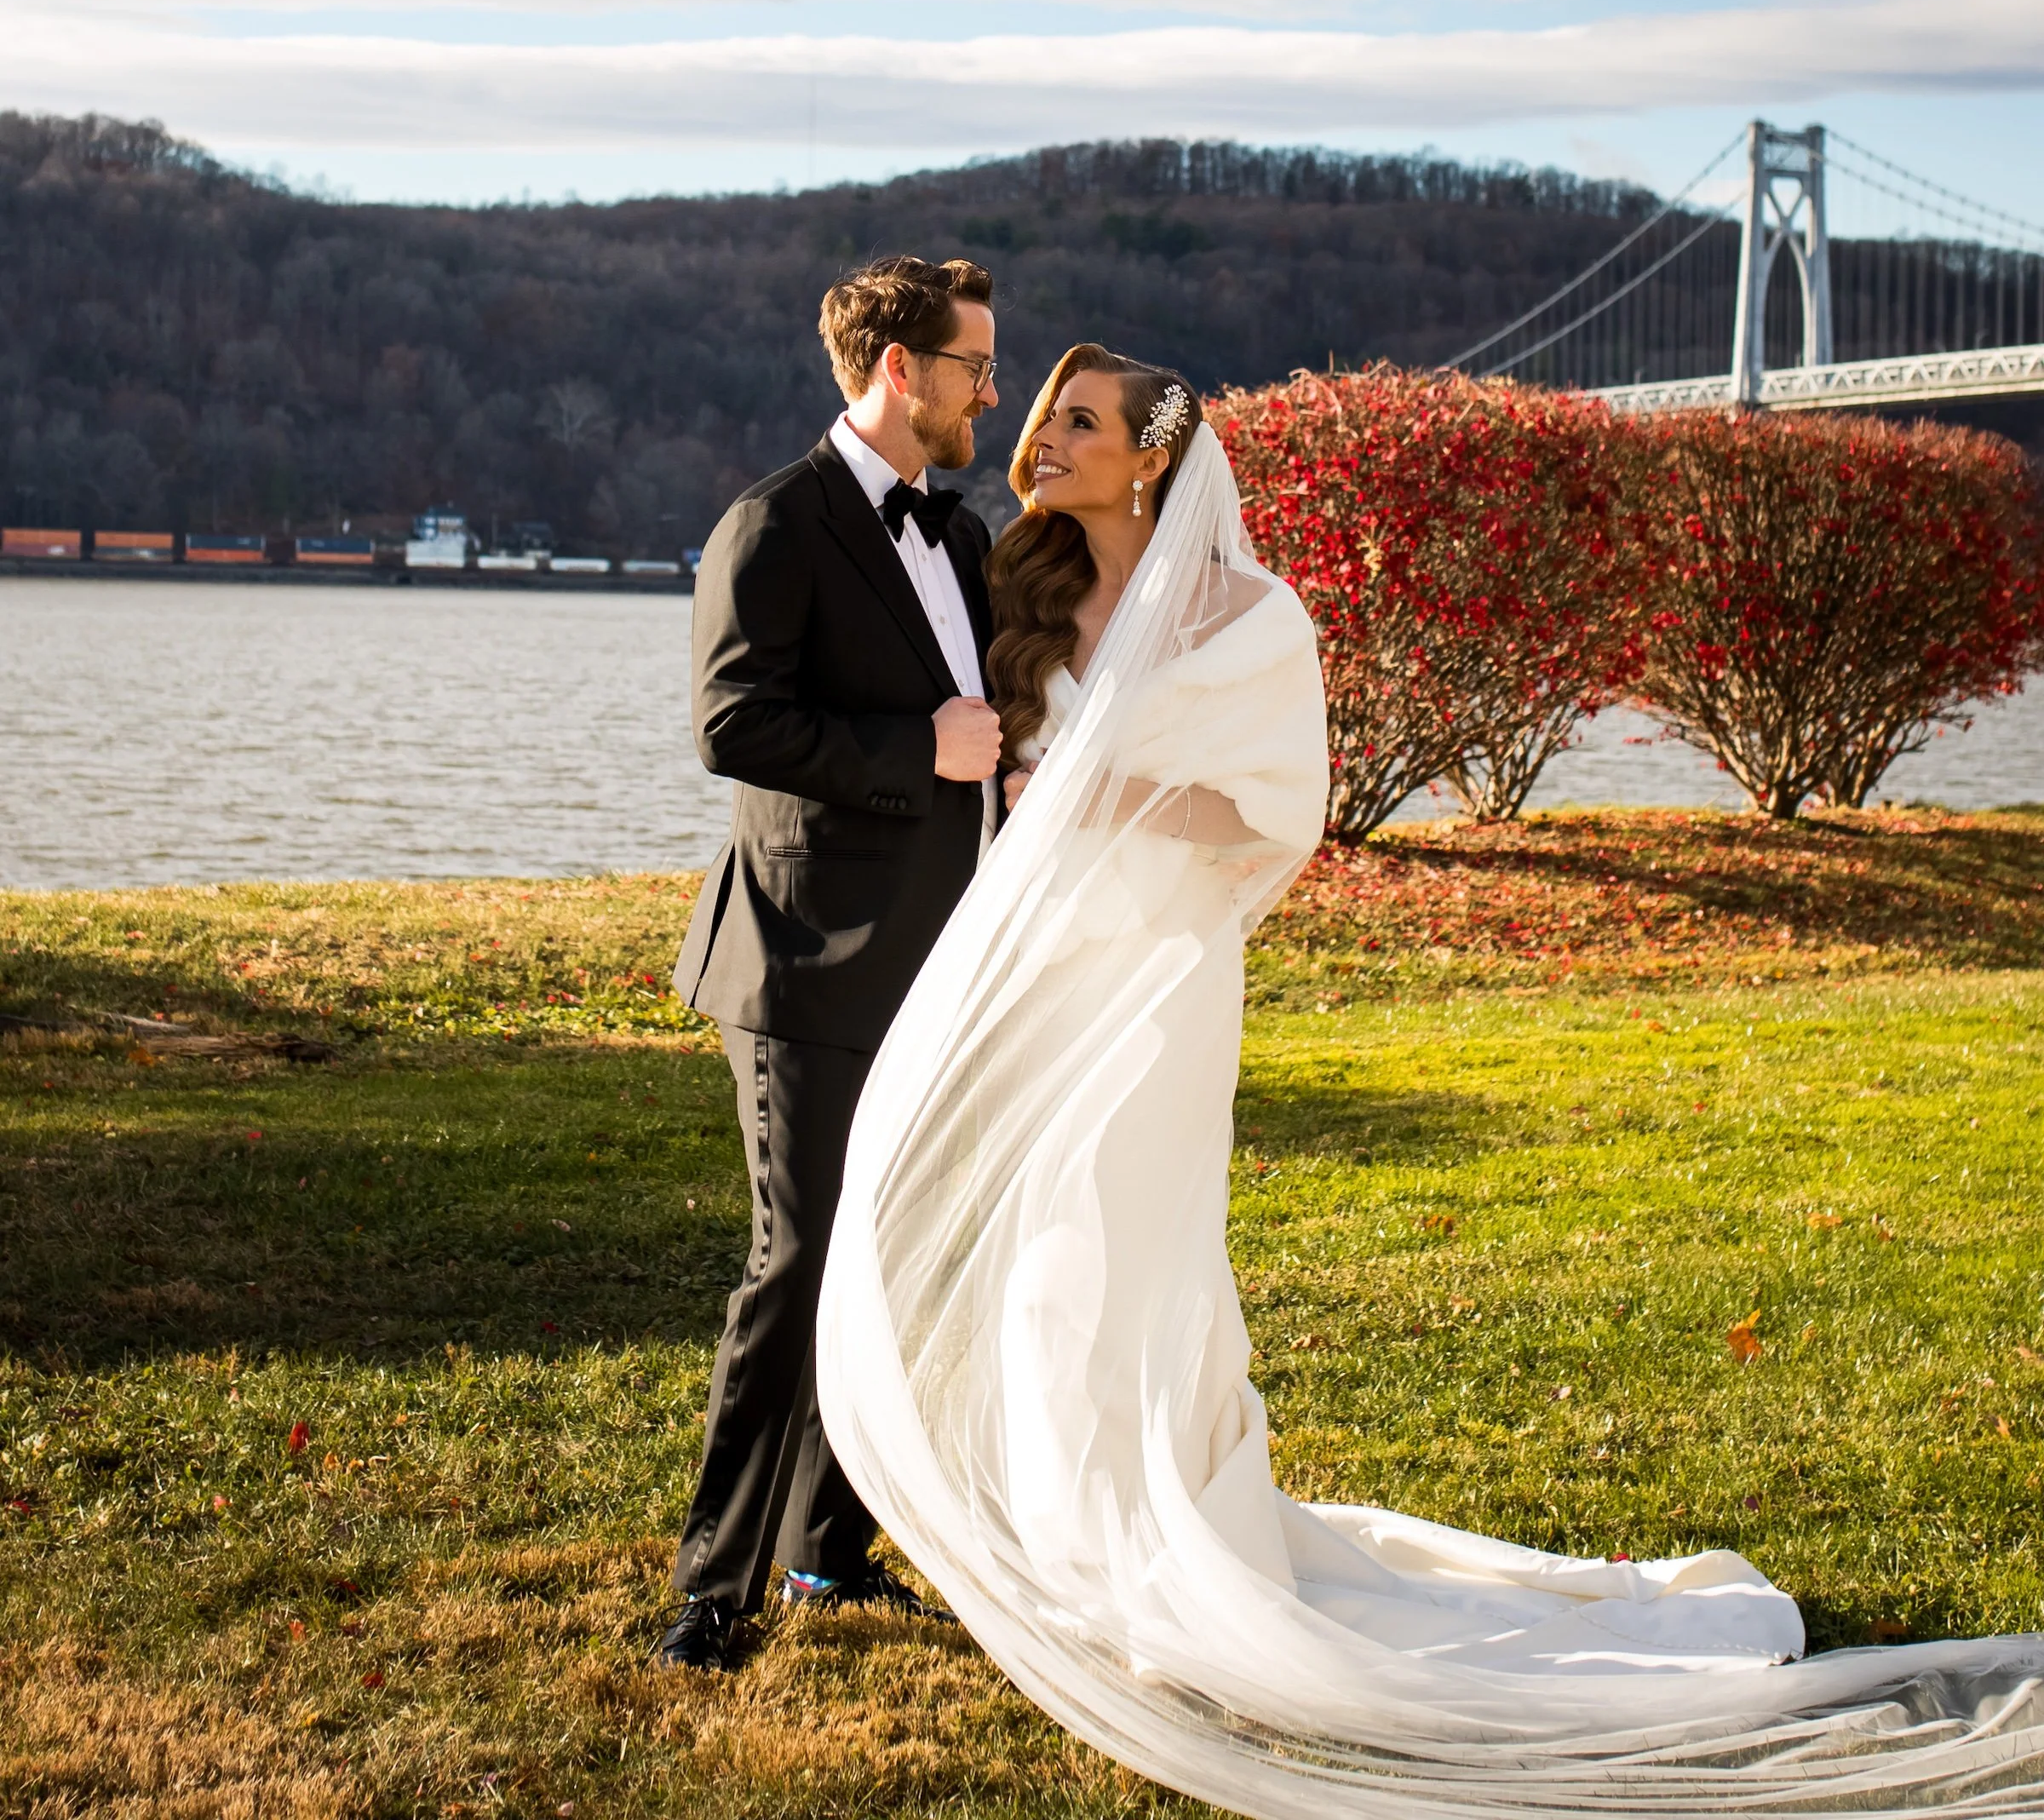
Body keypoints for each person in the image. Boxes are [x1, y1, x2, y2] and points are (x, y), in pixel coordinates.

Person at [813, 346, 2044, 1815]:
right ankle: (1083, 1550)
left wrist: (1114, 793)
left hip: (1157, 986)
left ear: (1151, 456)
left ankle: (1169, 1545)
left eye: (1077, 422)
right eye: (1040, 420)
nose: (1041, 442)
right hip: (1035, 974)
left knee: (1129, 1256)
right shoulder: (1026, 599)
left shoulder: (1250, 620)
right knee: (1038, 1270)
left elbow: (1274, 817)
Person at [653, 253, 1004, 1672]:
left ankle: (826, 1557)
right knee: (796, 1265)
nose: (994, 390)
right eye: (976, 364)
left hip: (939, 964)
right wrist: (915, 752)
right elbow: (733, 725)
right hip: (802, 962)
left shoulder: (963, 537)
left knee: (890, 1264)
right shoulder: (775, 524)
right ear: (900, 371)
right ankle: (712, 1590)